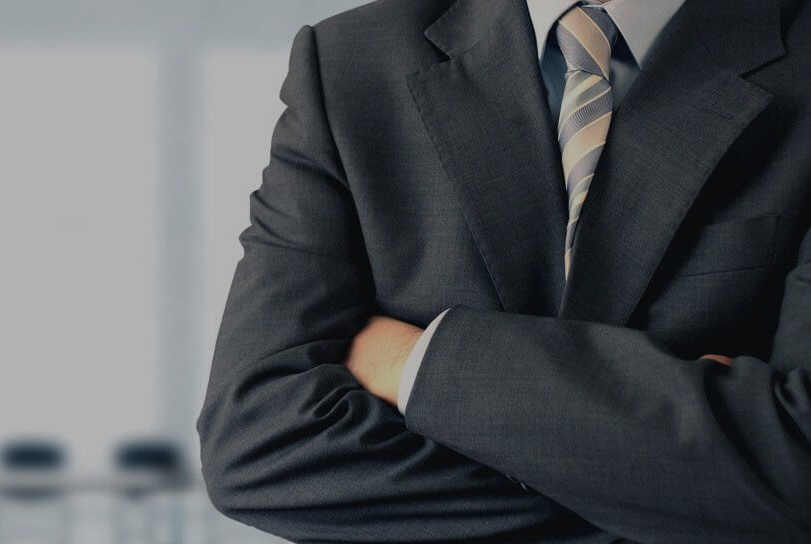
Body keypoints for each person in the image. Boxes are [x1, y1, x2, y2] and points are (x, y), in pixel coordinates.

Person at [196, 0, 811, 541]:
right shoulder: (347, 61)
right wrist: (695, 494)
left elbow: (799, 464)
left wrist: (416, 364)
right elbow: (256, 446)